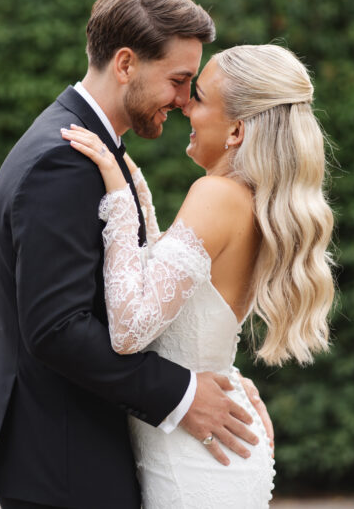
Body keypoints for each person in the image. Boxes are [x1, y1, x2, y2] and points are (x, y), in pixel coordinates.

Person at [0, 0, 267, 509]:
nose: (184, 101)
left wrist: (221, 375)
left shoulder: (85, 150)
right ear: (127, 64)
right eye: (179, 81)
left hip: (77, 453)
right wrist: (183, 395)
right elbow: (57, 327)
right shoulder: (64, 160)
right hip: (66, 460)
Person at [60, 43, 336, 508]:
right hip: (207, 452)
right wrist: (138, 192)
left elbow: (129, 329)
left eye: (200, 96)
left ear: (236, 130)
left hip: (197, 471)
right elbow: (186, 313)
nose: (184, 103)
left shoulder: (216, 194)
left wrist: (120, 202)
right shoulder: (250, 201)